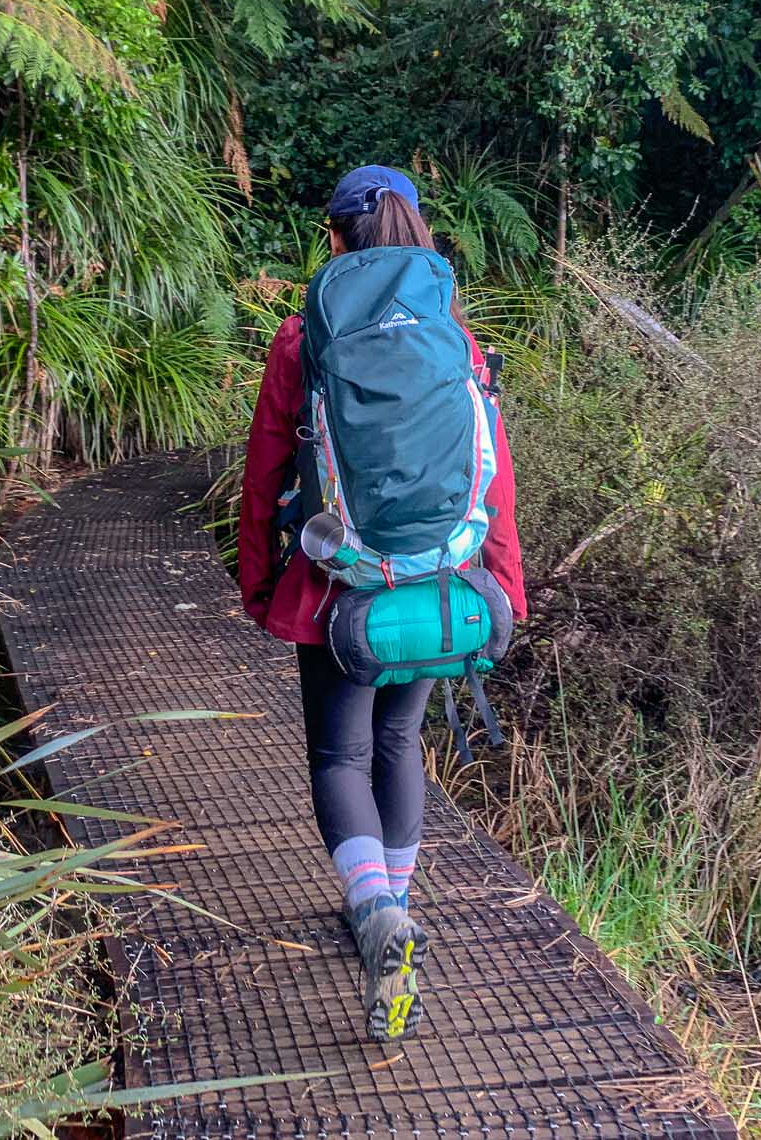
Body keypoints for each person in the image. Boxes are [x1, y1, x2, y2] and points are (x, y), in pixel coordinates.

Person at [237, 163, 528, 1040]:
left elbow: (264, 472)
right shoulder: (456, 338)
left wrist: (258, 580)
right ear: (420, 237)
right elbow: (497, 475)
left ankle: (377, 920)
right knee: (400, 739)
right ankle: (392, 910)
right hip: (442, 580)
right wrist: (504, 580)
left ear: (336, 240)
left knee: (338, 755)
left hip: (338, 592)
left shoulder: (303, 338)